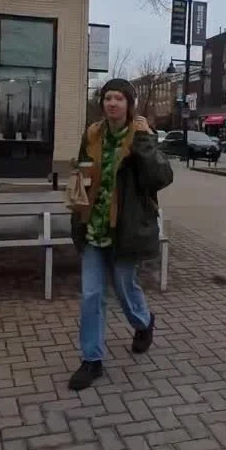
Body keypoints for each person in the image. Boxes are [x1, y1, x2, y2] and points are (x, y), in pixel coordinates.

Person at [69, 78, 173, 391]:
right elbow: (81, 174)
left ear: (129, 104)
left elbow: (160, 177)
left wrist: (143, 142)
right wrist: (77, 215)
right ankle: (92, 360)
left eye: (119, 98)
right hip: (94, 227)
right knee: (91, 295)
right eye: (108, 98)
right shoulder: (93, 134)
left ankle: (144, 322)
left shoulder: (141, 134)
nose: (112, 103)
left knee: (126, 289)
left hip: (125, 229)